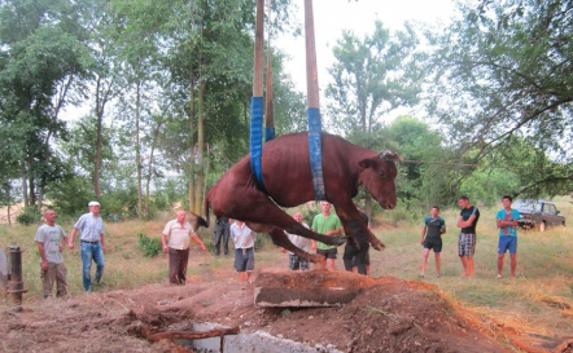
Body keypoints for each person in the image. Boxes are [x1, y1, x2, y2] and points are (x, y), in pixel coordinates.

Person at [68, 201, 106, 292]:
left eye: (98, 207)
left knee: (101, 264)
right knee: (87, 266)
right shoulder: (84, 217)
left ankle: (96, 281)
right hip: (86, 244)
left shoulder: (100, 219)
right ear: (90, 208)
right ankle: (87, 287)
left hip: (97, 244)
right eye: (94, 207)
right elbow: (75, 229)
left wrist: (103, 245)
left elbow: (101, 233)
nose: (97, 208)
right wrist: (71, 242)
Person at [161, 210, 207, 285]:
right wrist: (164, 245)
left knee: (183, 268)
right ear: (177, 216)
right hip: (174, 249)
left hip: (185, 249)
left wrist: (201, 244)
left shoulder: (188, 225)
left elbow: (193, 236)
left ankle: (182, 283)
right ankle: (173, 284)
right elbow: (164, 235)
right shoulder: (171, 224)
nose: (183, 217)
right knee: (174, 269)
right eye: (181, 215)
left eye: (184, 215)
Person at [35, 209, 67, 298]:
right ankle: (48, 298)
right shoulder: (42, 229)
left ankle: (62, 297)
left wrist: (62, 246)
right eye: (51, 214)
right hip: (48, 259)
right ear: (46, 217)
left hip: (59, 259)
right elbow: (40, 245)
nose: (54, 215)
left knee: (62, 279)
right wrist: (44, 261)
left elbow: (65, 237)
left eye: (54, 214)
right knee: (48, 281)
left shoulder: (58, 227)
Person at [311, 201, 343, 271]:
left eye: (327, 205)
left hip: (331, 246)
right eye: (323, 205)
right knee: (321, 267)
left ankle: (332, 281)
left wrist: (332, 232)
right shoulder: (316, 217)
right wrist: (313, 243)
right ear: (321, 206)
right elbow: (313, 232)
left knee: (331, 266)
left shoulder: (335, 218)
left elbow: (340, 231)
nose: (325, 206)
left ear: (330, 207)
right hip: (320, 246)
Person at [496, 195, 521, 279]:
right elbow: (499, 225)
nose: (505, 203)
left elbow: (516, 223)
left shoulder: (516, 212)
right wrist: (510, 222)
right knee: (500, 256)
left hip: (513, 237)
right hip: (503, 236)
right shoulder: (500, 213)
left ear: (510, 202)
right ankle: (499, 274)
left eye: (506, 201)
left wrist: (504, 222)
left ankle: (512, 274)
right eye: (503, 201)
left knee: (513, 256)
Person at [419, 206, 446, 278]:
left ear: (438, 212)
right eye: (432, 211)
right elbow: (424, 229)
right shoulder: (427, 219)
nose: (434, 212)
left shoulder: (441, 220)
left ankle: (438, 273)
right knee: (425, 254)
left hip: (437, 240)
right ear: (431, 211)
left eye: (435, 211)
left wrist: (442, 230)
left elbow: (444, 231)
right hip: (428, 239)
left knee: (437, 256)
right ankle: (422, 272)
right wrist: (422, 238)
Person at [456, 196, 480, 278]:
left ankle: (472, 273)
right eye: (459, 203)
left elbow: (469, 223)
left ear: (467, 201)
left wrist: (464, 223)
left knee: (469, 254)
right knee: (461, 254)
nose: (460, 204)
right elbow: (458, 224)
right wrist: (464, 223)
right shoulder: (463, 210)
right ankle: (466, 271)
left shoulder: (474, 210)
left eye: (461, 202)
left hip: (470, 234)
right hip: (462, 234)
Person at [230, 220, 256, 285]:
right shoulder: (232, 227)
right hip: (239, 248)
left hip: (249, 247)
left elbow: (254, 236)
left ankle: (249, 279)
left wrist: (251, 243)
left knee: (250, 265)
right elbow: (232, 237)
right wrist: (237, 243)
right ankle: (242, 282)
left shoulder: (249, 225)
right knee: (240, 266)